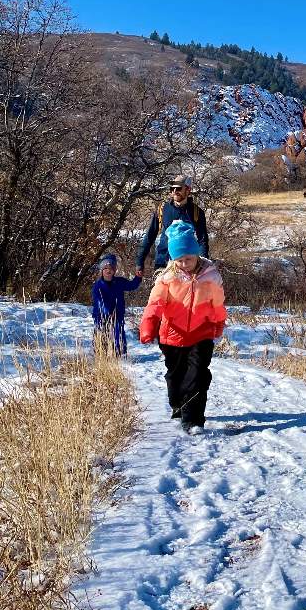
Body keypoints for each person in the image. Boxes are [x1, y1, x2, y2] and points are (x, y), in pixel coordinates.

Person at [139, 220, 226, 431]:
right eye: (179, 260)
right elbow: (155, 305)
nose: (184, 264)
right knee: (175, 376)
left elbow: (218, 305)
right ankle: (177, 405)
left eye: (188, 258)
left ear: (197, 253)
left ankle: (193, 419)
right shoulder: (167, 279)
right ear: (172, 259)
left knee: (197, 375)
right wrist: (148, 327)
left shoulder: (211, 276)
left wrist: (218, 326)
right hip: (172, 336)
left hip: (201, 334)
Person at [136, 174, 209, 276]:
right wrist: (140, 261)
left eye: (178, 188)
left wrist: (203, 264)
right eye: (172, 188)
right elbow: (150, 236)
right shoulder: (162, 209)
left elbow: (202, 240)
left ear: (188, 190)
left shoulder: (197, 212)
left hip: (186, 264)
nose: (174, 191)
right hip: (163, 264)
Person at [91, 254, 142, 355]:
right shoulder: (98, 285)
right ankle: (100, 353)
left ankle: (120, 353)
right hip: (101, 315)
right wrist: (107, 312)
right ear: (101, 270)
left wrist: (138, 277)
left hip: (117, 314)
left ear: (114, 270)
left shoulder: (119, 282)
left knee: (118, 333)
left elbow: (132, 285)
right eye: (105, 268)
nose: (108, 271)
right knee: (101, 333)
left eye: (110, 268)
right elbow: (99, 301)